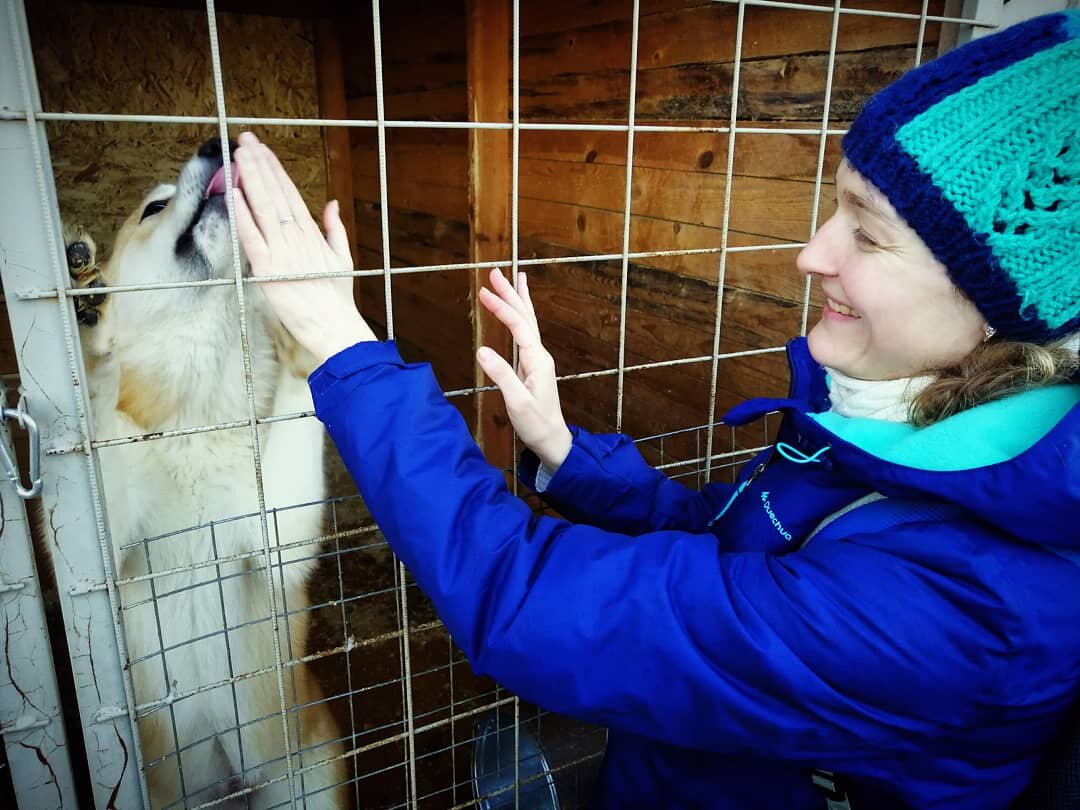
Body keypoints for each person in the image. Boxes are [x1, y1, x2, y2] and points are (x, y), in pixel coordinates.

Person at [230, 10, 1079, 809]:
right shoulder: (905, 424)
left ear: (999, 308)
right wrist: (567, 457)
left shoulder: (966, 601)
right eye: (836, 205)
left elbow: (530, 604)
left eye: (869, 230)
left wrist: (342, 348)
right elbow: (736, 547)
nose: (810, 250)